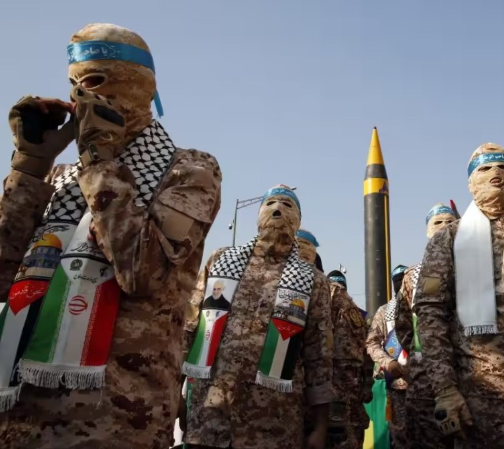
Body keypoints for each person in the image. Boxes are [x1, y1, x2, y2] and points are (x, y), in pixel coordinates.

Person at [0, 23, 222, 449]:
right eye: (74, 84)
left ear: (136, 85)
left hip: (114, 418)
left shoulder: (189, 171)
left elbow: (141, 272)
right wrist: (29, 167)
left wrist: (100, 162)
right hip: (19, 412)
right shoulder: (61, 180)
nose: (81, 96)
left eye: (95, 81)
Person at [183, 185, 334, 449]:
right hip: (211, 415)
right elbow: (190, 327)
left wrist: (320, 426)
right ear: (258, 214)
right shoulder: (221, 261)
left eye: (287, 205)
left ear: (298, 220)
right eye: (270, 203)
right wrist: (175, 392)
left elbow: (319, 356)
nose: (278, 209)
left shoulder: (312, 280)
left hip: (273, 424)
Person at [414, 144, 504, 448]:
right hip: (484, 398)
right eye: (485, 168)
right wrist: (445, 389)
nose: (496, 173)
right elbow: (431, 316)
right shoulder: (449, 239)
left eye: (503, 166)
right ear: (471, 183)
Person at [394, 203, 457, 449]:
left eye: (450, 221)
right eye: (438, 222)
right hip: (424, 381)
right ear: (427, 230)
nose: (445, 226)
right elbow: (403, 326)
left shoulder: (475, 263)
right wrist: (421, 356)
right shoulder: (412, 276)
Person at [327, 270, 373, 449]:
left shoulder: (333, 310)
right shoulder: (358, 315)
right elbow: (367, 354)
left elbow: (366, 353)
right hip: (352, 386)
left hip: (338, 386)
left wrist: (367, 384)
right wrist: (367, 385)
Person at [365, 265, 409, 449]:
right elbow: (371, 343)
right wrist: (387, 362)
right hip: (398, 385)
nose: (400, 285)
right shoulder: (384, 312)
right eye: (396, 281)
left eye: (403, 280)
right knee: (400, 436)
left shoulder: (421, 307)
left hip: (425, 384)